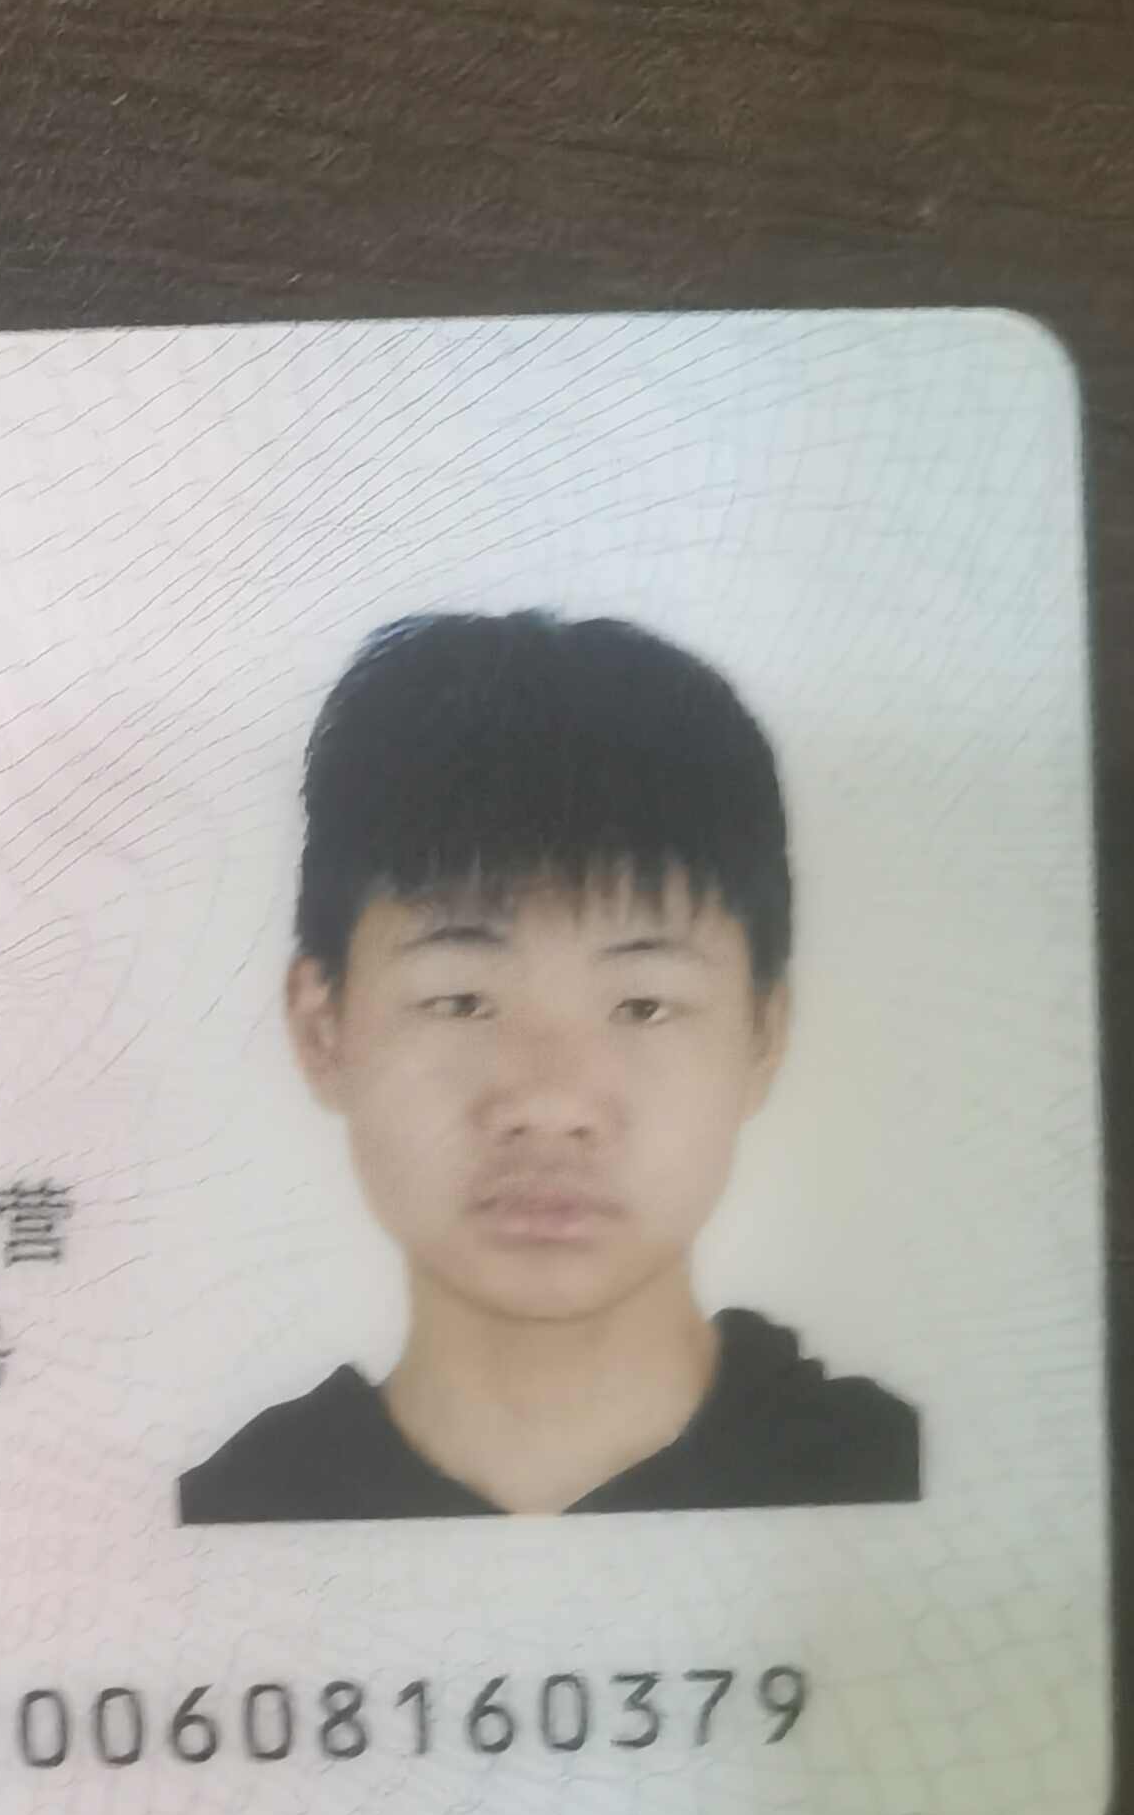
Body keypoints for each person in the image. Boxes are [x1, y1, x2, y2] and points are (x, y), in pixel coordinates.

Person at [177, 609, 920, 1522]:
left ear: (763, 1032)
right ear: (323, 1027)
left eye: (642, 1005)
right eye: (461, 1000)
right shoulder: (233, 1511)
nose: (550, 1102)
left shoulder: (886, 1474)